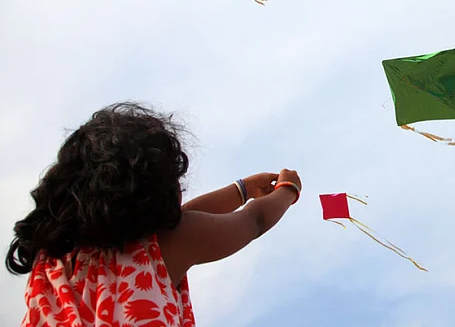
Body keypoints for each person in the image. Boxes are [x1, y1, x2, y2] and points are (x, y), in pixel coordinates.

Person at [5, 102, 301, 326]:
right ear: (154, 189)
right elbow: (254, 220)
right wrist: (287, 190)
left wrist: (242, 190)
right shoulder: (164, 248)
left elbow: (183, 219)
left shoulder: (55, 261)